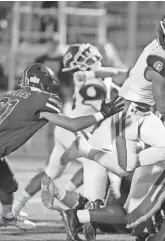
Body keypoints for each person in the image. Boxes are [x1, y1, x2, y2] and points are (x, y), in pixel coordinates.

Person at [60, 12, 165, 200]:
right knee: (127, 167)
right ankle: (87, 152)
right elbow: (164, 106)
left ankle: (114, 167)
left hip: (144, 113)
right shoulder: (157, 60)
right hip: (128, 113)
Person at [0, 63, 124, 230]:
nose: (51, 86)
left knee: (8, 185)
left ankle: (8, 217)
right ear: (40, 82)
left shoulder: (10, 95)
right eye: (48, 82)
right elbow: (72, 124)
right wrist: (102, 114)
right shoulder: (40, 100)